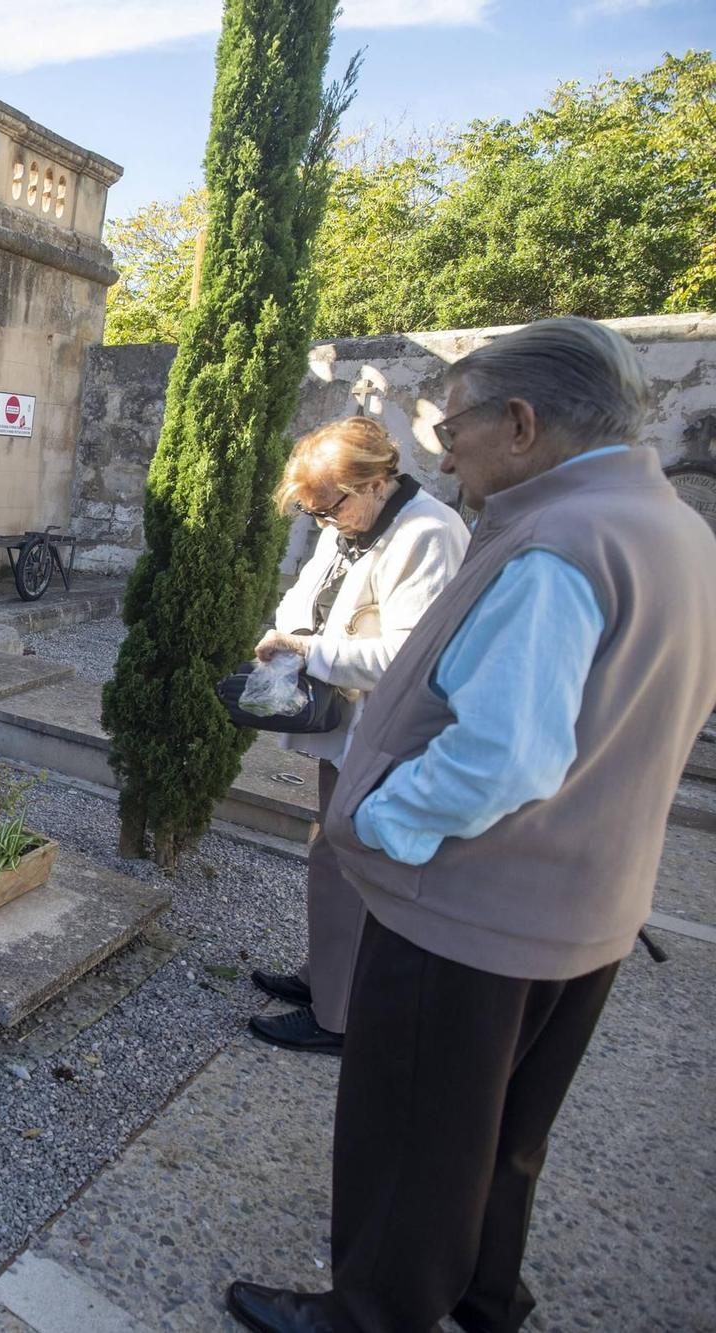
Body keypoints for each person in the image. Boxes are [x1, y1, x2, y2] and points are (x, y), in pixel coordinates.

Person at [227, 316, 716, 1333]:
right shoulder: (668, 528)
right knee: (499, 1134)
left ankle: (369, 1314)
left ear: (522, 423)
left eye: (455, 425)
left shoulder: (554, 544)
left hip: (472, 907)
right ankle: (481, 1293)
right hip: (582, 904)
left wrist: (374, 822)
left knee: (412, 1135)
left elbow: (503, 755)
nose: (442, 447)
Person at [246, 417, 469, 1054]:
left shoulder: (427, 532)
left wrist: (306, 650)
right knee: (332, 854)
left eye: (329, 508)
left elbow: (409, 658)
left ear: (374, 482)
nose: (324, 523)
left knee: (351, 865)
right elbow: (306, 594)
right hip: (350, 731)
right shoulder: (355, 522)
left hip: (390, 735)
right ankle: (326, 979)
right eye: (313, 514)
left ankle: (339, 1016)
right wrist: (286, 634)